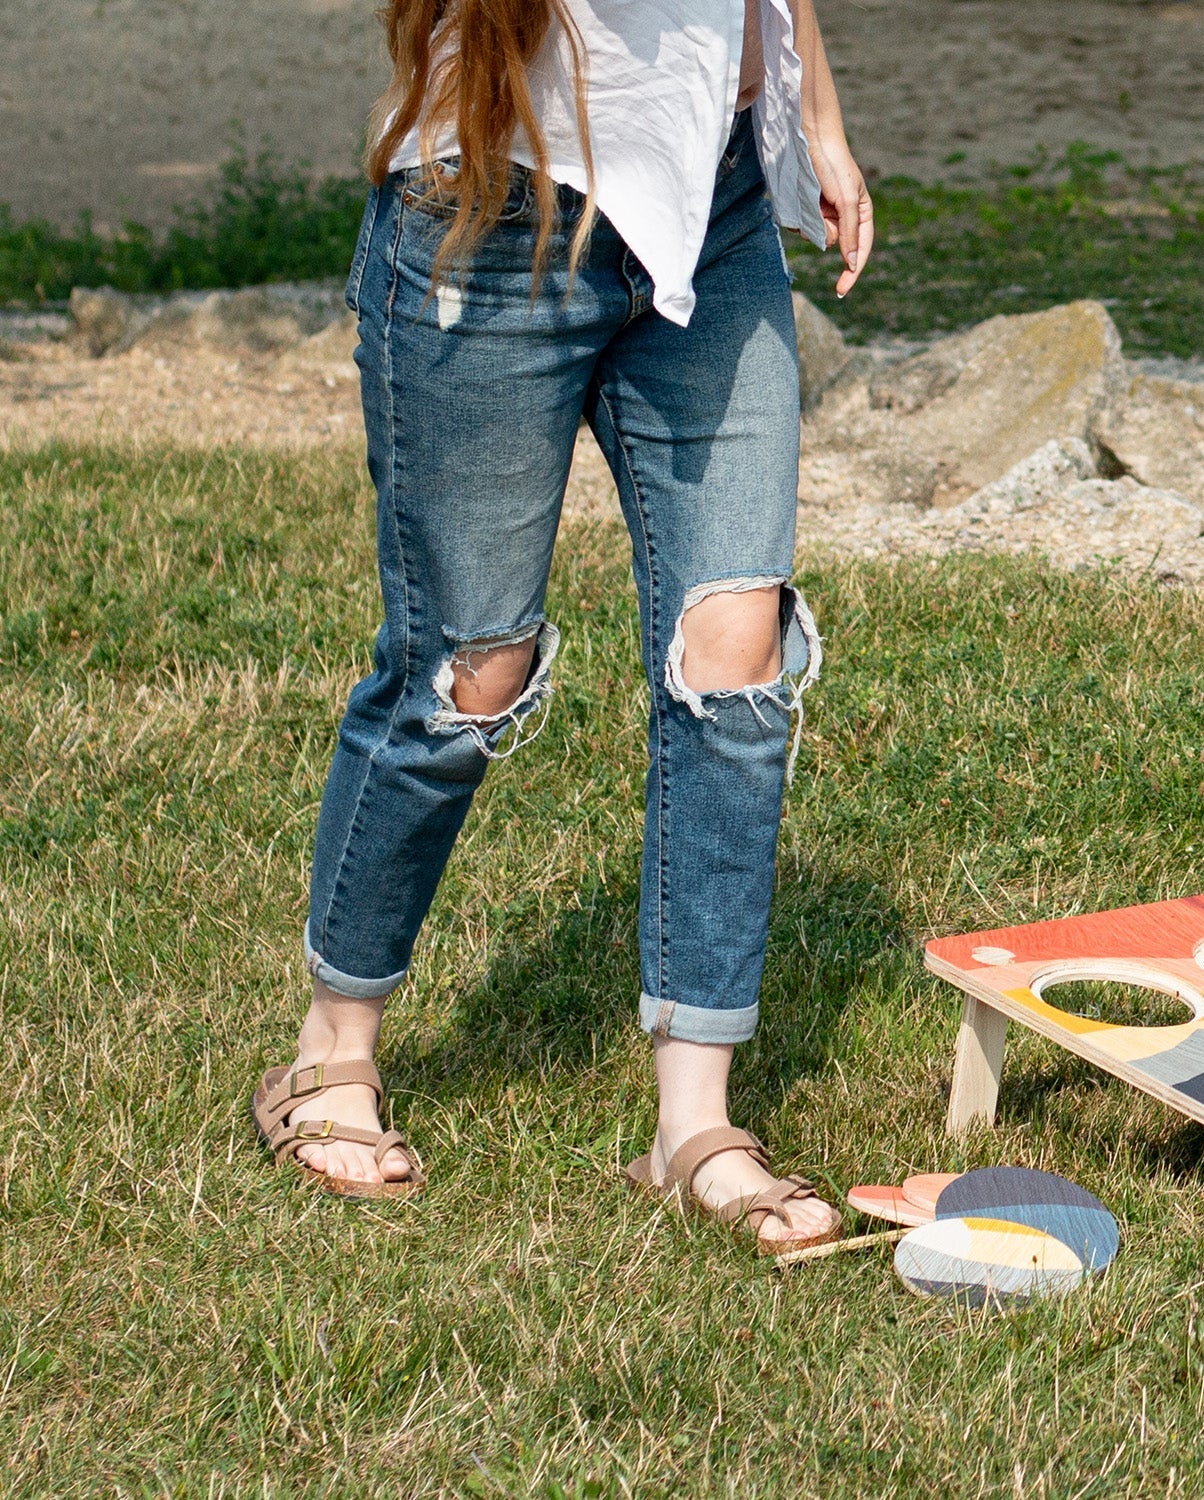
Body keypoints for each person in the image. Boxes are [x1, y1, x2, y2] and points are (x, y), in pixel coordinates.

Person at [249, 0, 874, 1249]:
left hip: (719, 202)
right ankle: (329, 1049)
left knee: (735, 655)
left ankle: (692, 1123)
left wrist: (815, 116)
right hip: (494, 203)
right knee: (467, 674)